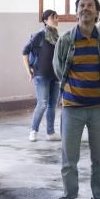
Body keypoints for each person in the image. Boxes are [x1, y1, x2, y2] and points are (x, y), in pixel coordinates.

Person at [54, 0, 100, 199]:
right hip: (72, 107)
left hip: (98, 108)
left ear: (97, 12)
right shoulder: (65, 40)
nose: (86, 9)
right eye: (82, 6)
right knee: (69, 160)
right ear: (76, 12)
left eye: (90, 6)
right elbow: (58, 68)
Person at [24, 9, 61, 142]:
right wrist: (29, 71)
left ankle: (50, 133)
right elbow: (25, 51)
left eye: (57, 17)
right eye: (53, 17)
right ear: (45, 20)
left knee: (52, 104)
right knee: (43, 103)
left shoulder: (57, 36)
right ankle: (33, 130)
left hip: (55, 75)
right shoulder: (39, 35)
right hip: (41, 74)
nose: (57, 19)